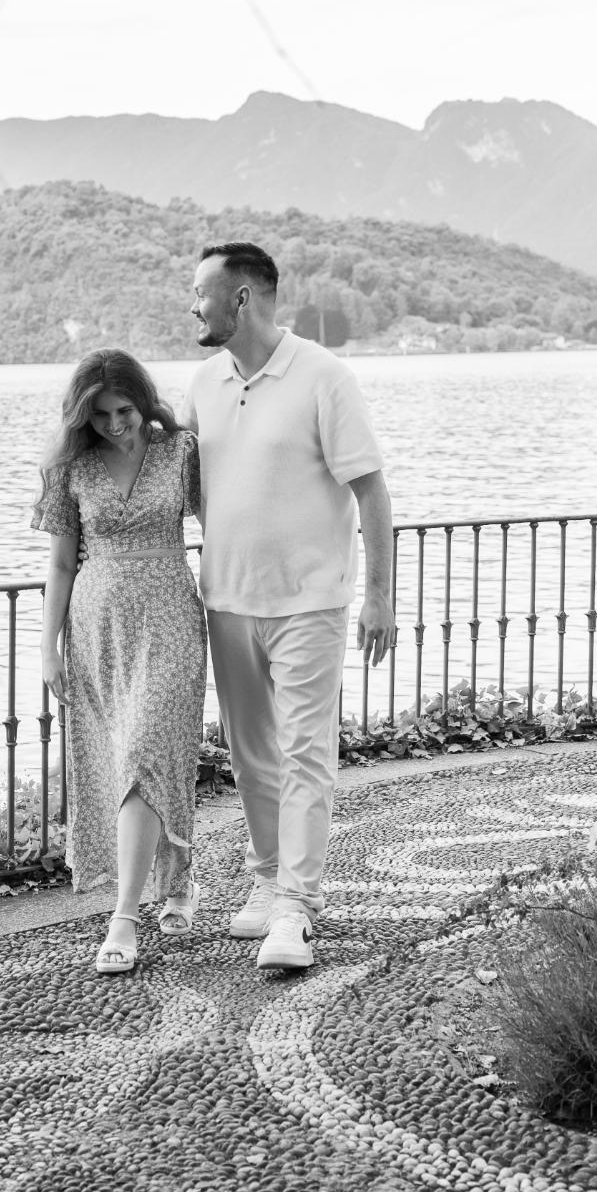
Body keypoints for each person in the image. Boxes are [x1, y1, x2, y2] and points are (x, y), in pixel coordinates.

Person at [185, 242, 394, 970]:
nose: (193, 306)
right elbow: (174, 482)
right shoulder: (204, 384)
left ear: (241, 299)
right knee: (250, 759)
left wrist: (379, 599)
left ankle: (296, 910)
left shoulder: (323, 377)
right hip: (226, 599)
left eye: (202, 292)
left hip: (309, 599)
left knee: (306, 752)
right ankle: (269, 879)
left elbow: (370, 491)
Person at [34, 349, 207, 975]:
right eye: (100, 414)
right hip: (97, 626)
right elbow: (59, 564)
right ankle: (175, 885)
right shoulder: (70, 468)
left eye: (124, 410)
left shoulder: (180, 451)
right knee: (121, 759)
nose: (115, 423)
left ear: (144, 402)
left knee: (148, 751)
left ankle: (125, 915)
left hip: (171, 618)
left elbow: (223, 522)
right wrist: (47, 646)